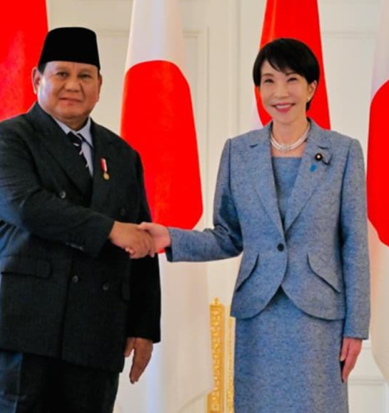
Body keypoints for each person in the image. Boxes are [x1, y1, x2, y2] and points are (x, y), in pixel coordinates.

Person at [141, 37, 370, 412]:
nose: (280, 92)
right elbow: (228, 236)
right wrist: (170, 237)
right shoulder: (238, 152)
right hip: (258, 315)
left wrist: (356, 327)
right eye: (268, 81)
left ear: (311, 88)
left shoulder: (343, 152)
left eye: (292, 79)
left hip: (319, 319)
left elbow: (355, 244)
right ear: (259, 89)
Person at [0, 27, 160, 412]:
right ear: (38, 79)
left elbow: (141, 240)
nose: (73, 85)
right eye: (61, 74)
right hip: (19, 330)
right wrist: (109, 229)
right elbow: (26, 206)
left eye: (85, 75)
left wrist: (143, 326)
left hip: (94, 334)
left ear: (99, 86)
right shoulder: (7, 139)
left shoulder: (123, 155)